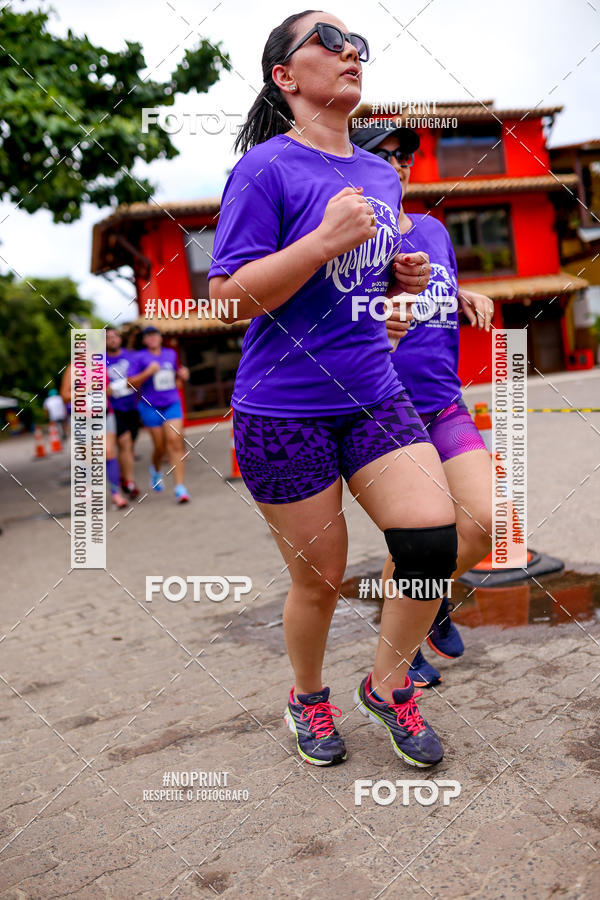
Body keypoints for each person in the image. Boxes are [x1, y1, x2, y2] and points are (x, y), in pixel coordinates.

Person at [208, 10, 459, 769]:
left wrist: (402, 282)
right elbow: (227, 299)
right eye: (327, 41)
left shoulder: (381, 174)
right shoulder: (266, 170)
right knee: (318, 582)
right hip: (284, 412)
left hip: (374, 396)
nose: (351, 51)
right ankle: (307, 698)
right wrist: (318, 242)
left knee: (428, 540)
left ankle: (386, 685)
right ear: (285, 77)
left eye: (359, 44)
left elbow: (367, 293)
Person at [350, 124, 494, 688]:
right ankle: (398, 656)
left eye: (406, 153)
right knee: (414, 540)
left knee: (483, 522)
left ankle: (429, 601)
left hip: (443, 401)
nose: (399, 161)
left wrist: (461, 293)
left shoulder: (434, 229)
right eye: (384, 153)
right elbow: (329, 314)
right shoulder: (352, 238)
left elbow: (433, 288)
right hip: (387, 408)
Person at [128, 326, 191, 503]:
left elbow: (176, 376)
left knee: (175, 442)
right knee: (160, 447)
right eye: (149, 336)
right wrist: (147, 372)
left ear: (160, 337)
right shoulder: (139, 357)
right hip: (150, 406)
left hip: (172, 403)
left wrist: (182, 375)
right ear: (144, 340)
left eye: (156, 335)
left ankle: (180, 487)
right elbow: (129, 383)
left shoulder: (170, 354)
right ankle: (155, 470)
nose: (153, 338)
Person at [61, 363, 128, 509]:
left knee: (109, 453)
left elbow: (108, 389)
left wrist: (110, 390)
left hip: (104, 415)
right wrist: (86, 389)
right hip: (81, 418)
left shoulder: (101, 366)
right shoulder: (72, 369)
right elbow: (65, 396)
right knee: (89, 456)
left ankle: (116, 494)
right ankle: (88, 489)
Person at [106, 326, 140, 499]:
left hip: (132, 406)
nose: (112, 339)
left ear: (120, 339)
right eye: (108, 337)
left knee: (129, 445)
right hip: (113, 408)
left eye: (115, 336)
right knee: (124, 441)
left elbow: (137, 378)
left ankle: (122, 475)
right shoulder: (100, 361)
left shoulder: (130, 356)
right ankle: (129, 481)